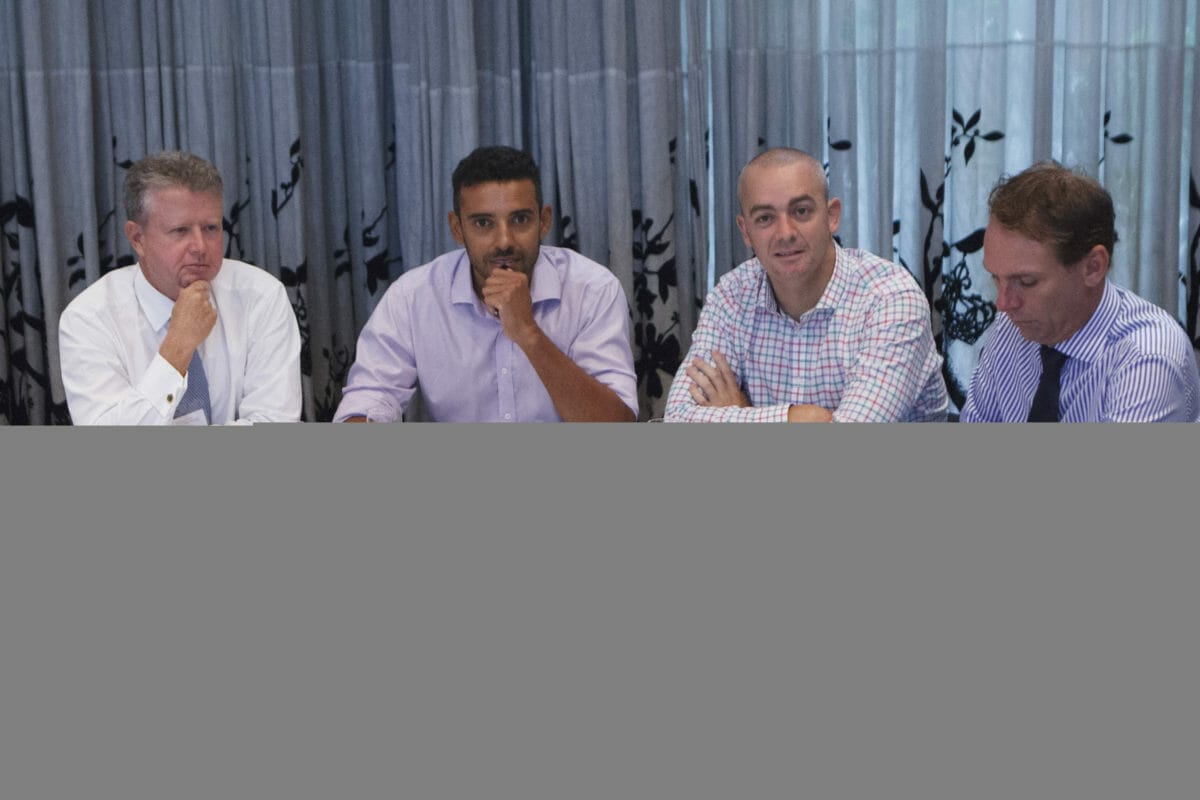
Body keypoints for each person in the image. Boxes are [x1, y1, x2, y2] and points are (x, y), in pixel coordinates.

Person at [335, 145, 637, 422]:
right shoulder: (413, 297)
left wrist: (528, 333)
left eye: (520, 219)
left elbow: (617, 426)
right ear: (457, 228)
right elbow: (370, 398)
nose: (504, 241)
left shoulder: (593, 290)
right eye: (483, 223)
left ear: (544, 221)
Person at [664, 147, 947, 422]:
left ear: (832, 216)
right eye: (765, 218)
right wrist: (800, 418)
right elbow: (677, 418)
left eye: (801, 211)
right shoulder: (732, 296)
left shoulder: (891, 299)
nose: (785, 233)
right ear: (746, 231)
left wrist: (739, 413)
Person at [58, 150, 302, 425]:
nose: (200, 247)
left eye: (211, 228)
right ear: (137, 238)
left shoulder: (262, 297)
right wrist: (178, 347)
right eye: (180, 231)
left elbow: (275, 423)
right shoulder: (88, 319)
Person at [960, 161, 1200, 422]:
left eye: (1026, 281)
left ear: (1093, 267)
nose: (1003, 303)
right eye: (996, 278)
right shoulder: (1011, 328)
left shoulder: (1148, 356)